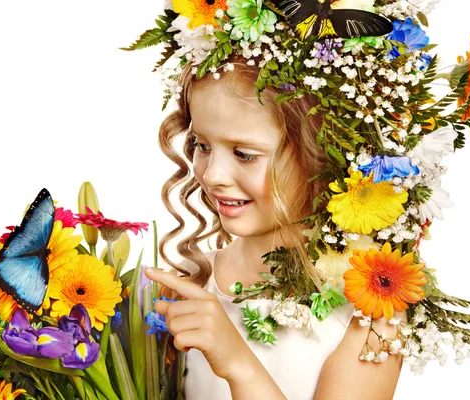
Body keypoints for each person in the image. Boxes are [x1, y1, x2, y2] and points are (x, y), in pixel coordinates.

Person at [144, 59, 405, 399]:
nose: (212, 176)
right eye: (203, 146)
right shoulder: (187, 281)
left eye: (244, 154)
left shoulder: (370, 312)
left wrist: (239, 365)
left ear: (320, 155)